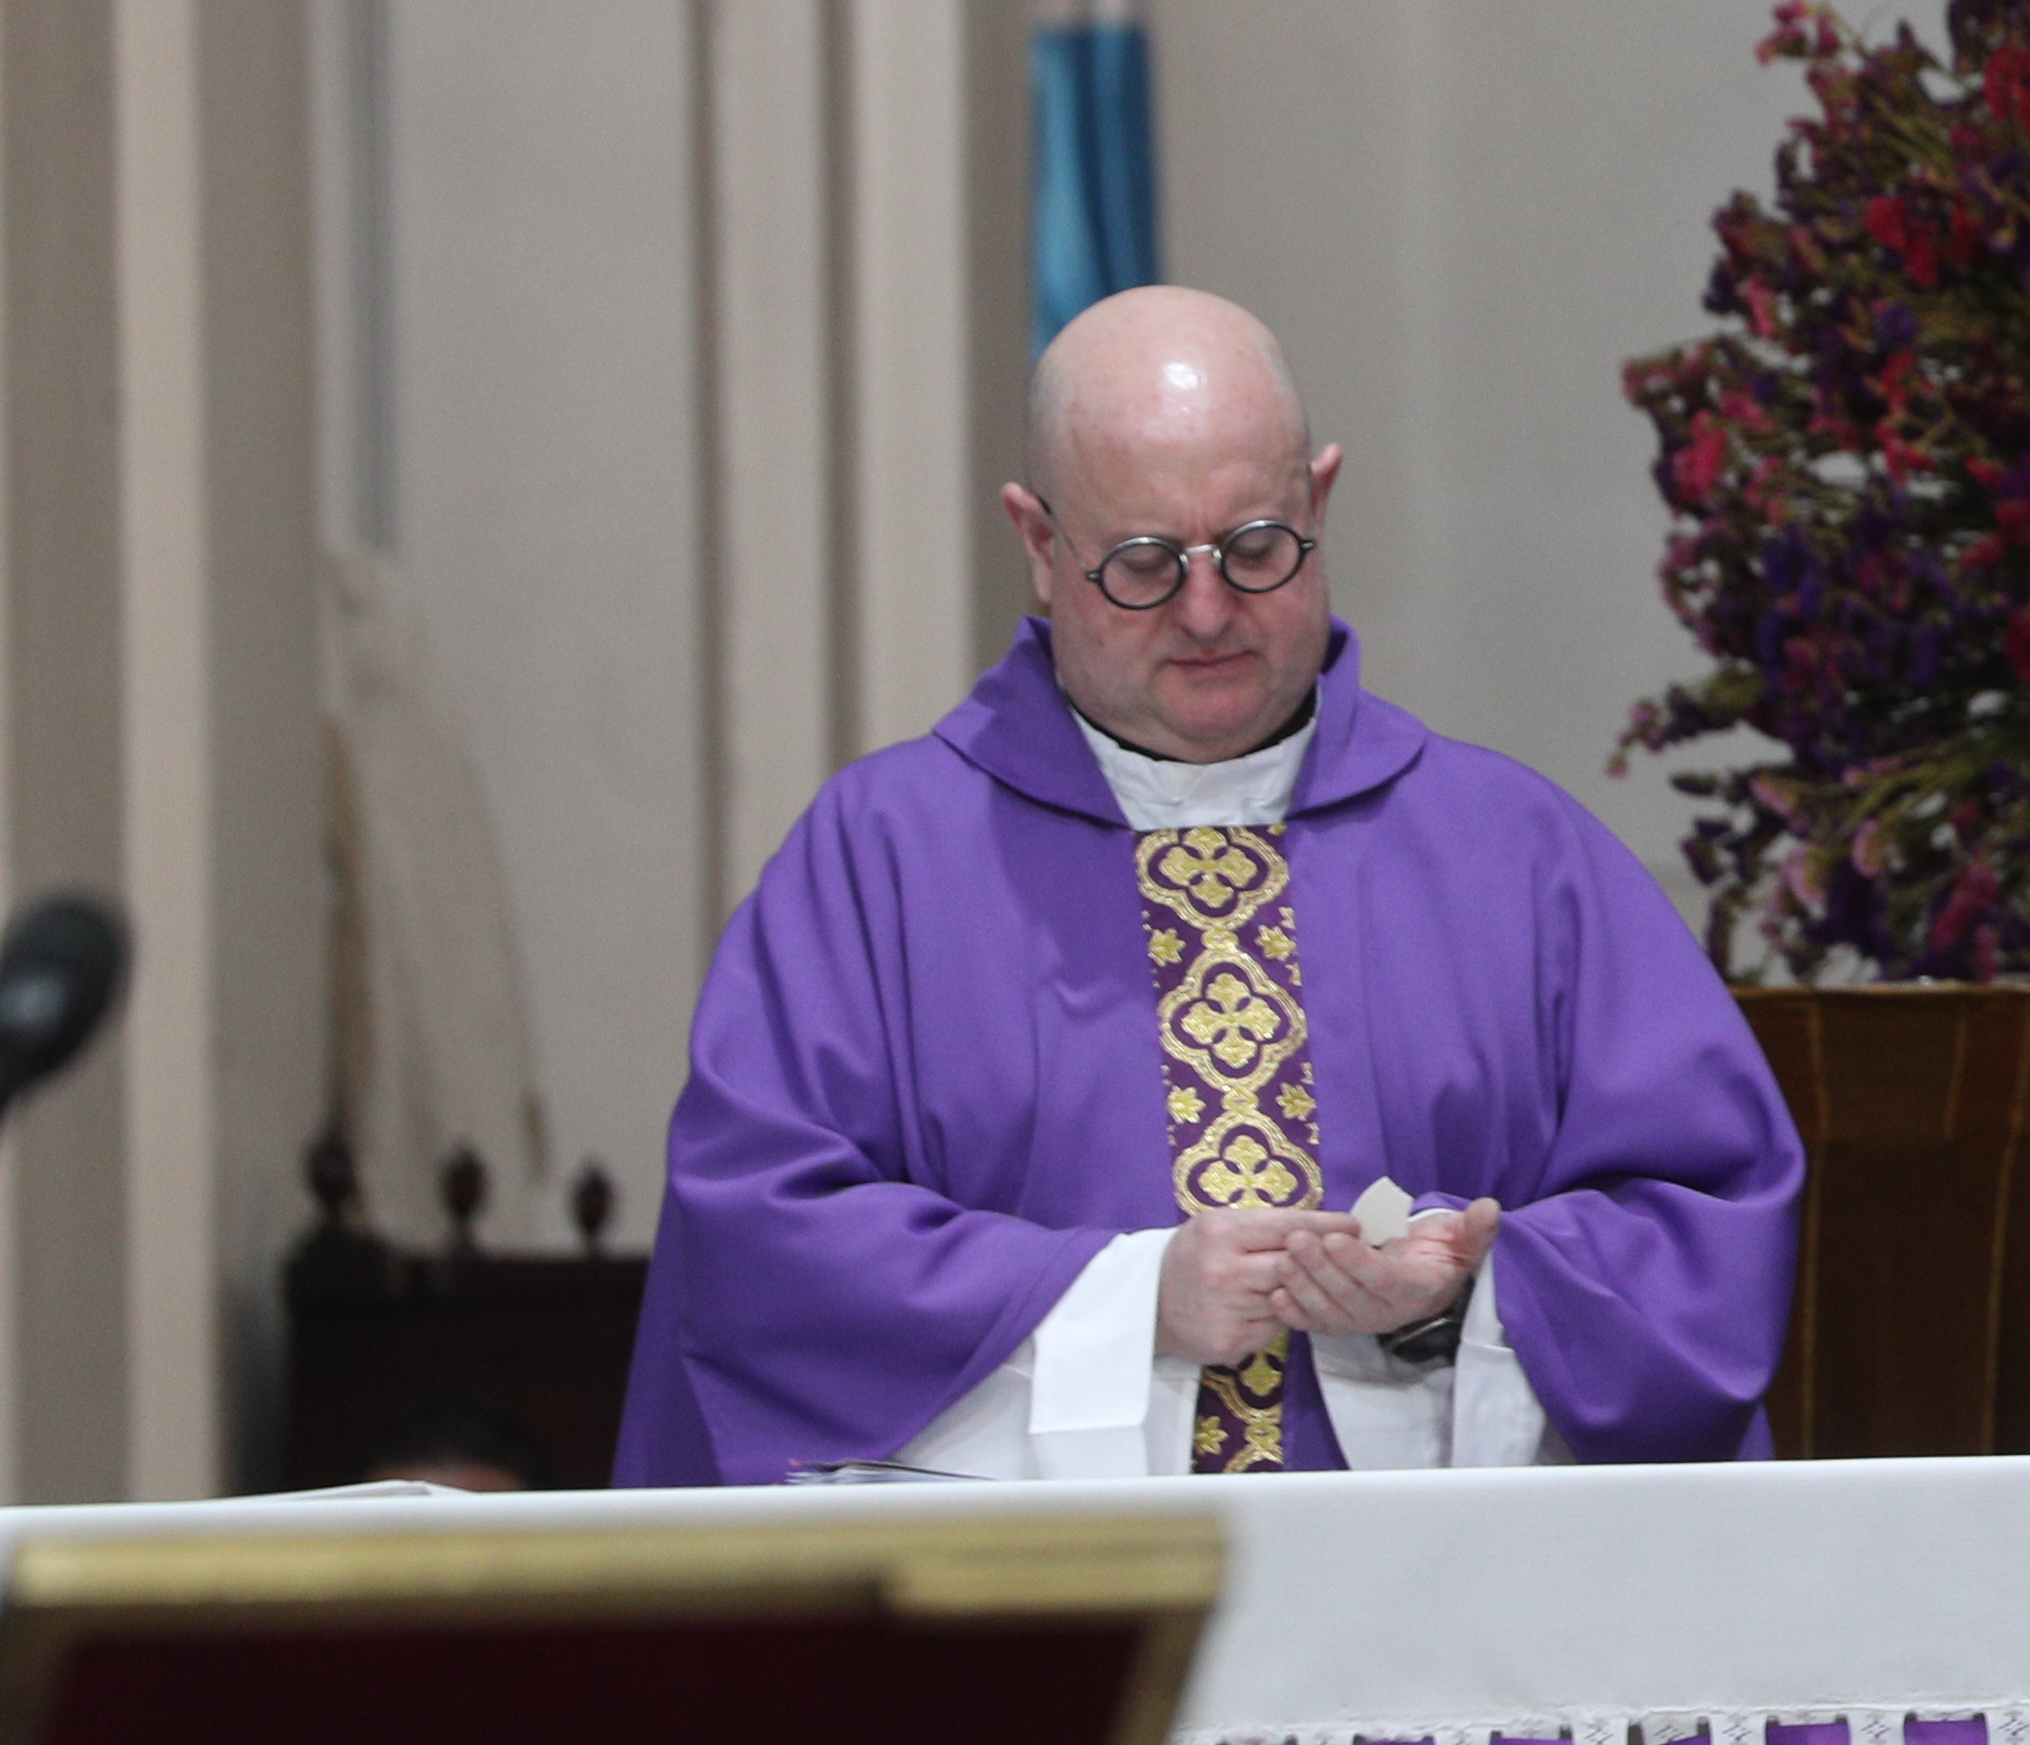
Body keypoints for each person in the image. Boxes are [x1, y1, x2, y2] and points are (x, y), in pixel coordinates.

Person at [619, 288, 1801, 1484]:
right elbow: (763, 1246)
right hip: (1036, 1634)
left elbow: (1705, 1228)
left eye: (1255, 549)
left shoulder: (1517, 857)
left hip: (1429, 1614)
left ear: (1321, 501)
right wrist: (1135, 1305)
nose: (1204, 612)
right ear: (1038, 544)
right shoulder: (879, 864)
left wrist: (1462, 1302)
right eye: (1141, 563)